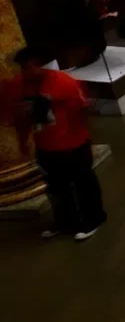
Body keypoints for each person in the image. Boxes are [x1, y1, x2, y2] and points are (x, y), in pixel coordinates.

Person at [1, 47, 104, 240]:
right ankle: (65, 222)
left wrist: (85, 137)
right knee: (56, 187)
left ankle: (94, 219)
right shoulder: (19, 86)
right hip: (46, 146)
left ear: (37, 64)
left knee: (83, 184)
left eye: (28, 66)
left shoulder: (63, 82)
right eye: (23, 67)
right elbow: (20, 117)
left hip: (73, 144)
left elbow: (81, 110)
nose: (25, 71)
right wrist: (23, 141)